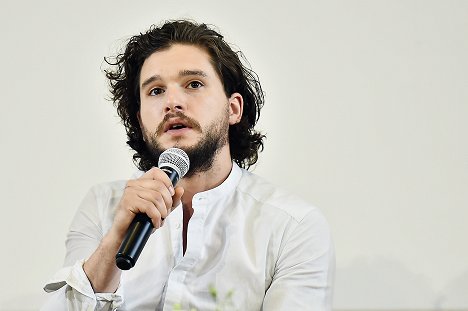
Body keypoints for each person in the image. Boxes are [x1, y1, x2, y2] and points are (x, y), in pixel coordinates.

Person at [41, 20, 334, 310]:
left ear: (233, 109)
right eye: (155, 91)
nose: (172, 102)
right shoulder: (102, 205)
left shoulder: (292, 227)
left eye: (193, 84)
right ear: (140, 120)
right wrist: (115, 240)